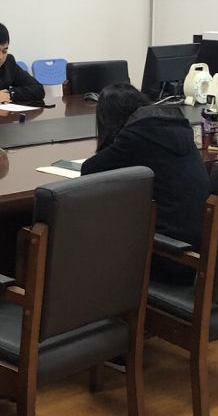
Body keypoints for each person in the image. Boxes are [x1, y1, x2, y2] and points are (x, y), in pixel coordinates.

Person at [81, 85, 209, 282]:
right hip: (200, 255)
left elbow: (89, 170)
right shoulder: (178, 127)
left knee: (90, 233)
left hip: (171, 256)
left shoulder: (136, 138)